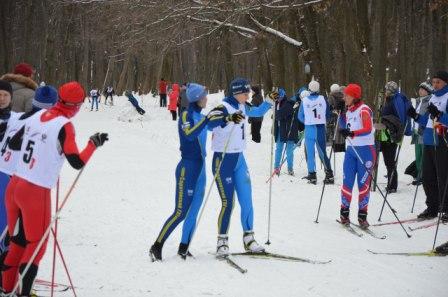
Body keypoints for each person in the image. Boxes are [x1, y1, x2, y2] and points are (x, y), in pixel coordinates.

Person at [1, 81, 108, 297]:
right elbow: (76, 161)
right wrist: (93, 144)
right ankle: (23, 293)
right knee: (36, 245)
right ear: (76, 106)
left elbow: (12, 144)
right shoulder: (64, 125)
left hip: (14, 186)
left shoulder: (35, 115)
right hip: (35, 191)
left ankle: (7, 286)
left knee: (17, 241)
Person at [149, 83, 235, 261]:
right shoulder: (186, 114)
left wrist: (230, 118)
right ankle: (156, 246)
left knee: (194, 211)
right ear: (196, 98)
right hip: (187, 168)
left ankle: (184, 248)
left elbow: (214, 124)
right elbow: (189, 134)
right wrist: (206, 120)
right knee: (180, 211)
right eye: (204, 96)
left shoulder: (200, 115)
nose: (206, 99)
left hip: (200, 169)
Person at [0, 84, 58, 287]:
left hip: (18, 178)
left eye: (5, 94)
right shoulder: (35, 120)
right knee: (17, 234)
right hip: (15, 178)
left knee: (16, 233)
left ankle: (10, 279)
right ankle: (14, 281)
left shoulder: (17, 117)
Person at [211, 77, 274, 256]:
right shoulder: (222, 107)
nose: (248, 95)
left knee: (247, 201)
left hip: (239, 159)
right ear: (237, 92)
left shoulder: (243, 106)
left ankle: (249, 239)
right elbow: (210, 123)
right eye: (246, 93)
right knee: (228, 203)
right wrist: (227, 118)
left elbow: (257, 112)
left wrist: (270, 100)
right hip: (223, 160)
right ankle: (222, 241)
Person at [408, 70, 448, 222]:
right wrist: (415, 116)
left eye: (438, 82)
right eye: (434, 82)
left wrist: (439, 115)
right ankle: (432, 207)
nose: (435, 84)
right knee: (427, 176)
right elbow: (426, 121)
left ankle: (446, 208)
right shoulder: (432, 98)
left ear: (445, 83)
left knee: (443, 176)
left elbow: (444, 119)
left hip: (442, 140)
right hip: (429, 140)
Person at [338, 84, 376, 227]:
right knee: (347, 182)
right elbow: (344, 126)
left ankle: (362, 215)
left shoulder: (364, 109)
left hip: (366, 151)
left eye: (346, 95)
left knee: (363, 184)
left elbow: (367, 128)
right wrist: (340, 114)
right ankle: (344, 212)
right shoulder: (348, 111)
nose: (344, 98)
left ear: (354, 96)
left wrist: (353, 133)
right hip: (351, 152)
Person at [298, 80, 333, 185]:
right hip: (320, 129)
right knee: (322, 152)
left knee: (310, 152)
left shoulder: (304, 100)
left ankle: (312, 175)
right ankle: (329, 174)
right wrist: (322, 120)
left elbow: (300, 116)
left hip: (309, 128)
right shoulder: (323, 99)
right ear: (318, 89)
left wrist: (308, 121)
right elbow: (328, 114)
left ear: (309, 89)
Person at [379, 81, 411, 193]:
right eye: (386, 89)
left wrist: (395, 132)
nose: (386, 92)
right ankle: (390, 183)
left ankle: (392, 185)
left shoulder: (396, 101)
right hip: (384, 134)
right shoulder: (388, 100)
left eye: (388, 90)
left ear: (392, 91)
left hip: (391, 135)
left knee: (390, 161)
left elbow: (399, 119)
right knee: (387, 160)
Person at [273, 88, 302, 176]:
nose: (277, 99)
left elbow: (279, 115)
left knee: (289, 150)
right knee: (279, 149)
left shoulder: (288, 103)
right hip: (280, 130)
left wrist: (277, 115)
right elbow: (277, 116)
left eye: (279, 97)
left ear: (283, 96)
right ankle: (276, 168)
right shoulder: (276, 103)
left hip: (289, 130)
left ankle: (290, 168)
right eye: (276, 97)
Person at [412, 82, 433, 185]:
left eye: (423, 89)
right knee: (418, 155)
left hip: (424, 132)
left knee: (424, 155)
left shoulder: (430, 101)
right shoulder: (418, 101)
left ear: (428, 91)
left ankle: (424, 176)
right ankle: (419, 175)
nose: (420, 91)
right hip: (416, 131)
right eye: (420, 89)